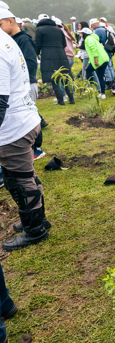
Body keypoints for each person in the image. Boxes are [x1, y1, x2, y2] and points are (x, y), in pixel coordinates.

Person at [0, 29, 50, 251]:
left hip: (13, 128)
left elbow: (0, 101)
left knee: (20, 181)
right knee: (22, 177)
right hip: (22, 120)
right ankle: (37, 218)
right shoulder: (6, 40)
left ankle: (35, 229)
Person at [0, 9, 39, 105]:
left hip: (26, 86)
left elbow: (31, 64)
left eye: (0, 25)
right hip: (15, 87)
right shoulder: (9, 40)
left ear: (10, 21)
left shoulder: (23, 39)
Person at [35, 14, 74, 105]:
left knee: (54, 77)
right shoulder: (58, 30)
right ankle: (71, 100)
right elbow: (64, 44)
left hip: (48, 55)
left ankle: (60, 101)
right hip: (61, 55)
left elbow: (38, 44)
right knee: (65, 77)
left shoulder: (39, 30)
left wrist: (37, 53)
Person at [79, 28, 109, 99]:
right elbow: (91, 55)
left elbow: (94, 50)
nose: (81, 35)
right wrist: (89, 63)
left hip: (98, 60)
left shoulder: (88, 39)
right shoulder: (94, 39)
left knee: (88, 71)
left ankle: (91, 87)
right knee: (100, 76)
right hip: (105, 59)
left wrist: (95, 60)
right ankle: (102, 94)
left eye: (82, 33)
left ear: (85, 34)